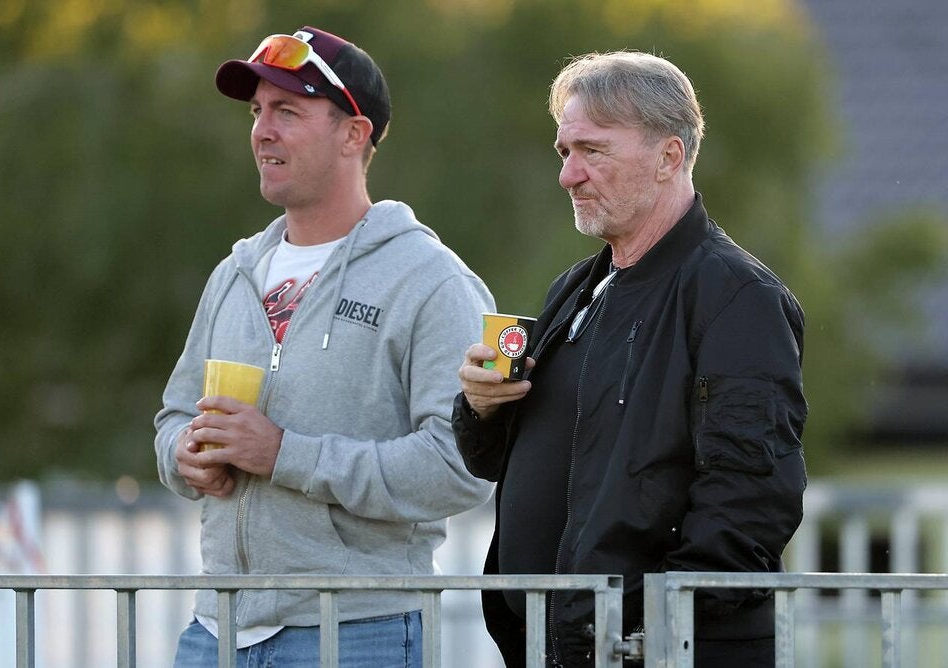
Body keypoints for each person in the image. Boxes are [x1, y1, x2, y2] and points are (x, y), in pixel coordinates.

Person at [154, 24, 495, 667]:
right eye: (257, 112)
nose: (262, 130)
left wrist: (285, 454)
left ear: (353, 134)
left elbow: (461, 466)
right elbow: (173, 416)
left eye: (288, 110)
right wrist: (186, 455)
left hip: (358, 631)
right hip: (215, 630)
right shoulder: (234, 274)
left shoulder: (430, 281)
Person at [453, 51, 807, 667]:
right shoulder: (576, 289)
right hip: (555, 646)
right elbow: (503, 464)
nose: (569, 174)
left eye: (593, 151)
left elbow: (750, 499)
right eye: (564, 152)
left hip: (656, 651)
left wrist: (654, 628)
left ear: (670, 156)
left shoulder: (735, 297)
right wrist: (481, 409)